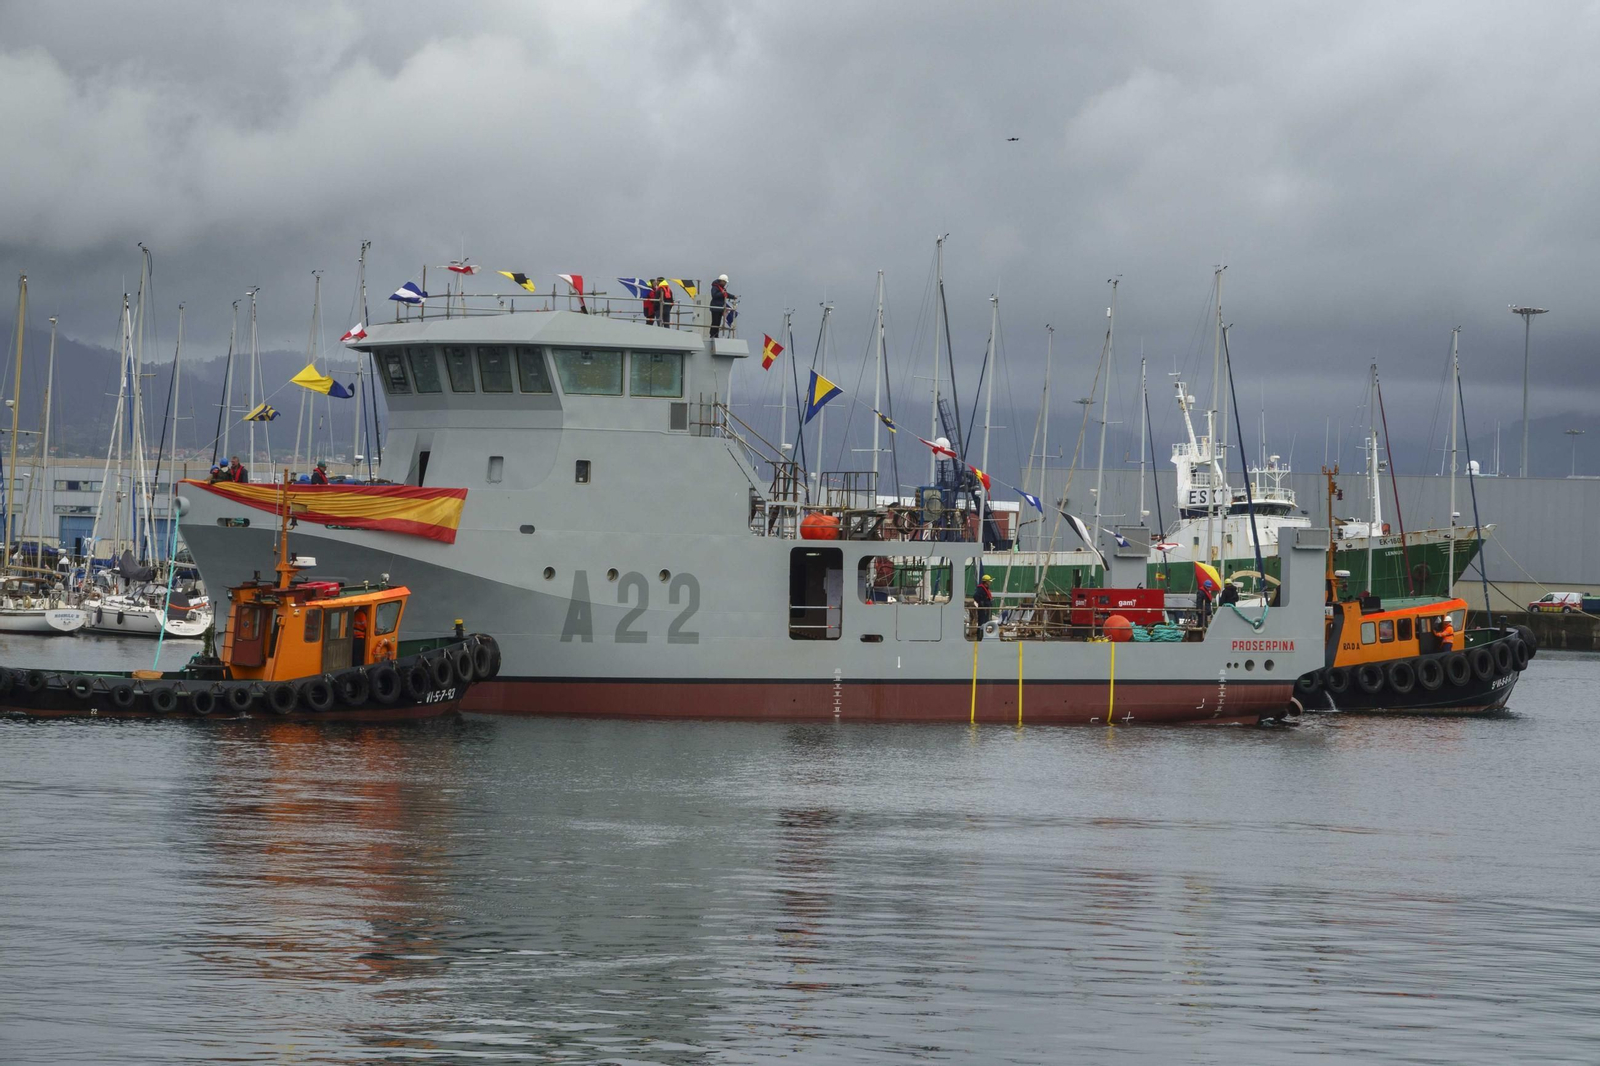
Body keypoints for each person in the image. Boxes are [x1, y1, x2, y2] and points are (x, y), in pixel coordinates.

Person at [973, 572, 994, 638]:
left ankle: (983, 636)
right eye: (989, 581)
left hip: (986, 609)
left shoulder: (986, 589)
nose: (990, 582)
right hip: (983, 609)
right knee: (982, 623)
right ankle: (980, 637)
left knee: (985, 623)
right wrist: (981, 602)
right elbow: (975, 596)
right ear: (986, 582)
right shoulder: (981, 589)